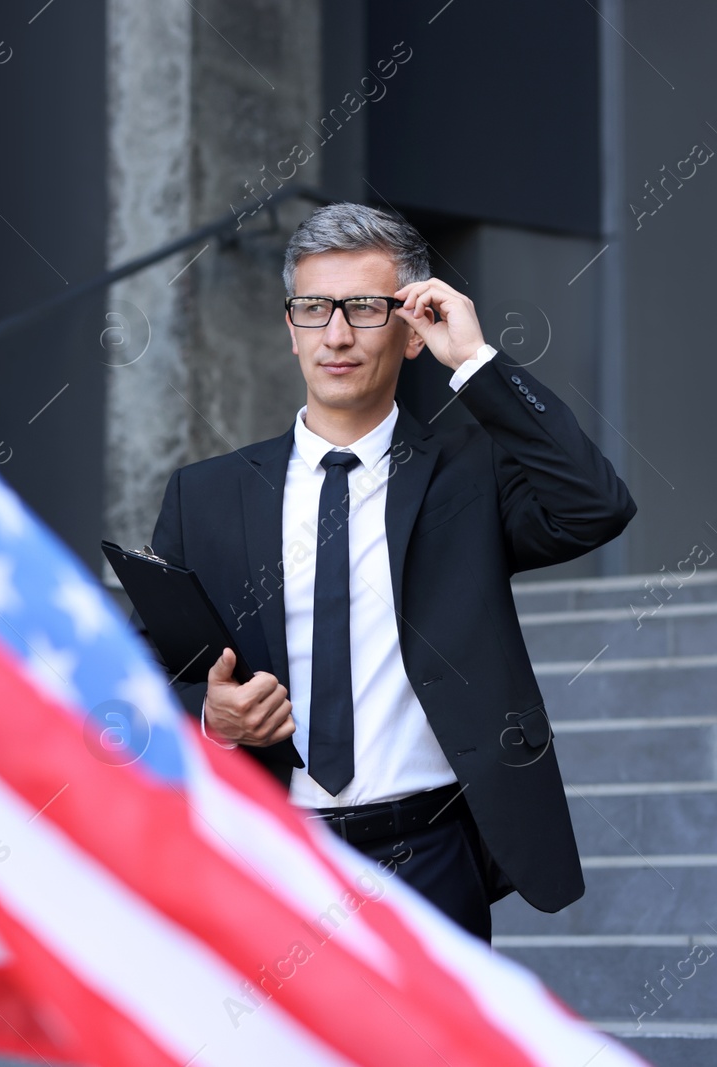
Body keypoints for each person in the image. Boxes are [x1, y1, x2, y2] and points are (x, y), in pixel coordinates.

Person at [138, 203, 636, 941]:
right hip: (273, 849)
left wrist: (474, 360)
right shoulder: (206, 496)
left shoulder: (469, 475)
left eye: (365, 309)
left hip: (428, 854)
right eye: (313, 309)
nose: (336, 334)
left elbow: (593, 506)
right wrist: (211, 719)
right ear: (290, 327)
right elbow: (143, 666)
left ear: (410, 329)